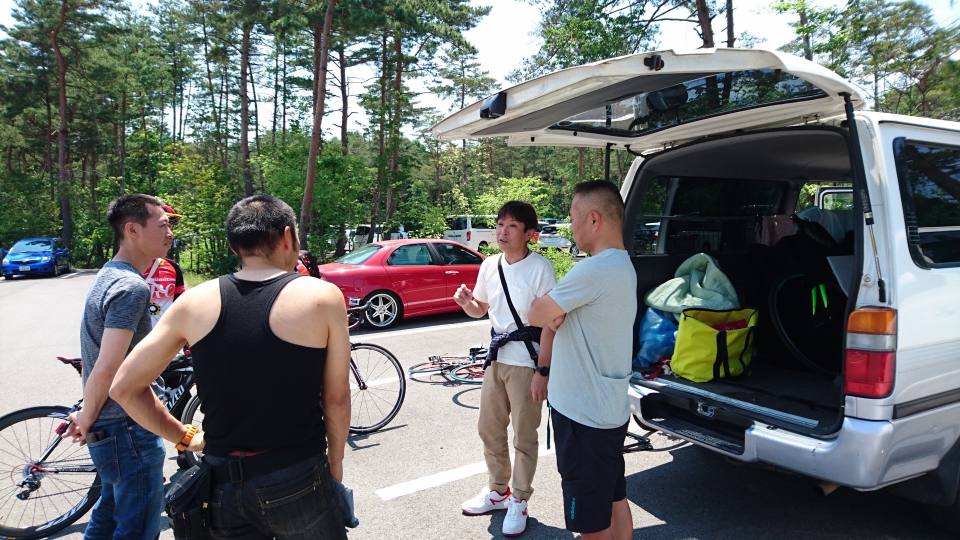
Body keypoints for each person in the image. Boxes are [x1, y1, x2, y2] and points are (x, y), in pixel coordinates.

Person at [110, 194, 350, 540]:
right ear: (287, 236)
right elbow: (337, 398)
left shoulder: (194, 301)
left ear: (233, 246)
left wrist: (184, 436)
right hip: (296, 474)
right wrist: (336, 463)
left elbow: (123, 387)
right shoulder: (321, 297)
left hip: (220, 484)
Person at [61, 194, 175, 540]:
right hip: (129, 428)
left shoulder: (110, 273)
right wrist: (87, 416)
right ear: (132, 229)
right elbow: (108, 369)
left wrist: (88, 414)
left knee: (106, 520)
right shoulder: (130, 286)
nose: (171, 232)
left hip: (114, 429)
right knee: (136, 531)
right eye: (163, 225)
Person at [528, 181, 638, 540]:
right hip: (608, 411)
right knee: (615, 498)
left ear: (593, 220)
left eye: (573, 218)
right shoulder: (622, 266)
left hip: (582, 415)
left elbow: (536, 313)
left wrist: (550, 306)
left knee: (590, 525)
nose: (569, 226)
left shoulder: (593, 270)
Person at [453, 201, 557, 537]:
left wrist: (543, 371)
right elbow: (481, 309)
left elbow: (553, 324)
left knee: (524, 436)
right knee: (489, 429)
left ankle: (520, 499)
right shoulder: (489, 266)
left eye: (512, 226)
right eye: (499, 225)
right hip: (495, 360)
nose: (502, 231)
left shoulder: (541, 269)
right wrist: (468, 304)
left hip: (527, 362)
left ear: (530, 234)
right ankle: (499, 491)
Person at [142, 204, 186, 327]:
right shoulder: (121, 270)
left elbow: (181, 310)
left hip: (165, 344)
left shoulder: (172, 267)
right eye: (162, 226)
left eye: (171, 227)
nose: (170, 233)